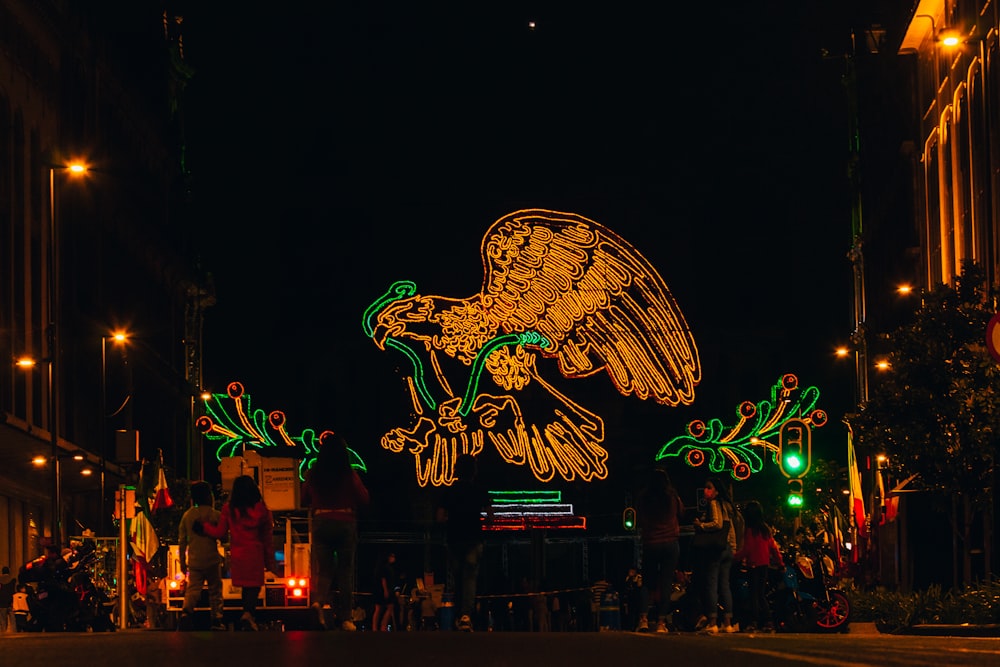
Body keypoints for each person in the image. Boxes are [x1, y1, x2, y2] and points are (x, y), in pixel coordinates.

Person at [301, 433, 370, 631]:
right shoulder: (348, 473)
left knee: (324, 570)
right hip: (345, 522)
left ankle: (318, 603)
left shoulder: (314, 473)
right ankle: (346, 618)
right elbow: (364, 498)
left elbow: (304, 498)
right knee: (345, 572)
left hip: (321, 521)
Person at [196, 475, 279, 631]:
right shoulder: (263, 511)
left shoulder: (229, 509)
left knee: (245, 586)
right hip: (255, 553)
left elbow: (220, 532)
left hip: (238, 553)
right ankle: (248, 614)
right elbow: (267, 540)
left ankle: (247, 614)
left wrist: (204, 527)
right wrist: (270, 563)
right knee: (253, 587)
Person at [435, 453, 489, 632]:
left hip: (454, 538)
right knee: (470, 577)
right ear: (473, 471)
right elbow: (491, 515)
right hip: (474, 538)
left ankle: (458, 615)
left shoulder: (448, 491)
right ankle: (466, 615)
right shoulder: (480, 490)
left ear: (456, 470)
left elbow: (440, 517)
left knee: (456, 578)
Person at [635, 467, 684, 633]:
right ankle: (661, 623)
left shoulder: (644, 497)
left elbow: (639, 518)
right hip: (670, 543)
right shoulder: (671, 496)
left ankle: (643, 619)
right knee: (665, 583)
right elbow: (681, 512)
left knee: (647, 583)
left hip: (651, 542)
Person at [691, 477, 738, 634]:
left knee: (712, 584)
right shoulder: (727, 505)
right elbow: (730, 528)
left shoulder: (714, 503)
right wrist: (733, 547)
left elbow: (717, 524)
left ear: (716, 490)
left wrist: (701, 525)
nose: (706, 491)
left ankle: (712, 621)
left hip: (716, 550)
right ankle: (728, 622)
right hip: (728, 549)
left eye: (709, 488)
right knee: (725, 585)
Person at [177, 481, 225, 631]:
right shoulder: (215, 514)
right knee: (215, 590)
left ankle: (186, 613)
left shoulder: (187, 516)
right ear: (208, 496)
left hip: (195, 560)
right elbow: (223, 537)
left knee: (193, 589)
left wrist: (183, 563)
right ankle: (216, 618)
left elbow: (182, 541)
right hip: (212, 559)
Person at [733, 500, 783, 633]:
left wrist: (735, 557)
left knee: (754, 595)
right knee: (761, 594)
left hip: (753, 565)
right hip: (764, 565)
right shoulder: (765, 529)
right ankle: (768, 622)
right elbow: (773, 547)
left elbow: (747, 549)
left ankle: (754, 622)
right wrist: (780, 563)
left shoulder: (750, 530)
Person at [371, 551, 397, 631]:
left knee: (379, 609)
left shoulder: (381, 567)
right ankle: (383, 625)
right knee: (388, 607)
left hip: (379, 590)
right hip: (384, 590)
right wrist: (386, 590)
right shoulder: (385, 567)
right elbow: (384, 580)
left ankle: (376, 627)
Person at [0, 565, 15, 634]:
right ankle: (14, 632)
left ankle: (3, 632)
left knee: (3, 619)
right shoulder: (13, 579)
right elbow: (13, 591)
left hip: (1, 602)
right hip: (11, 602)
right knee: (12, 619)